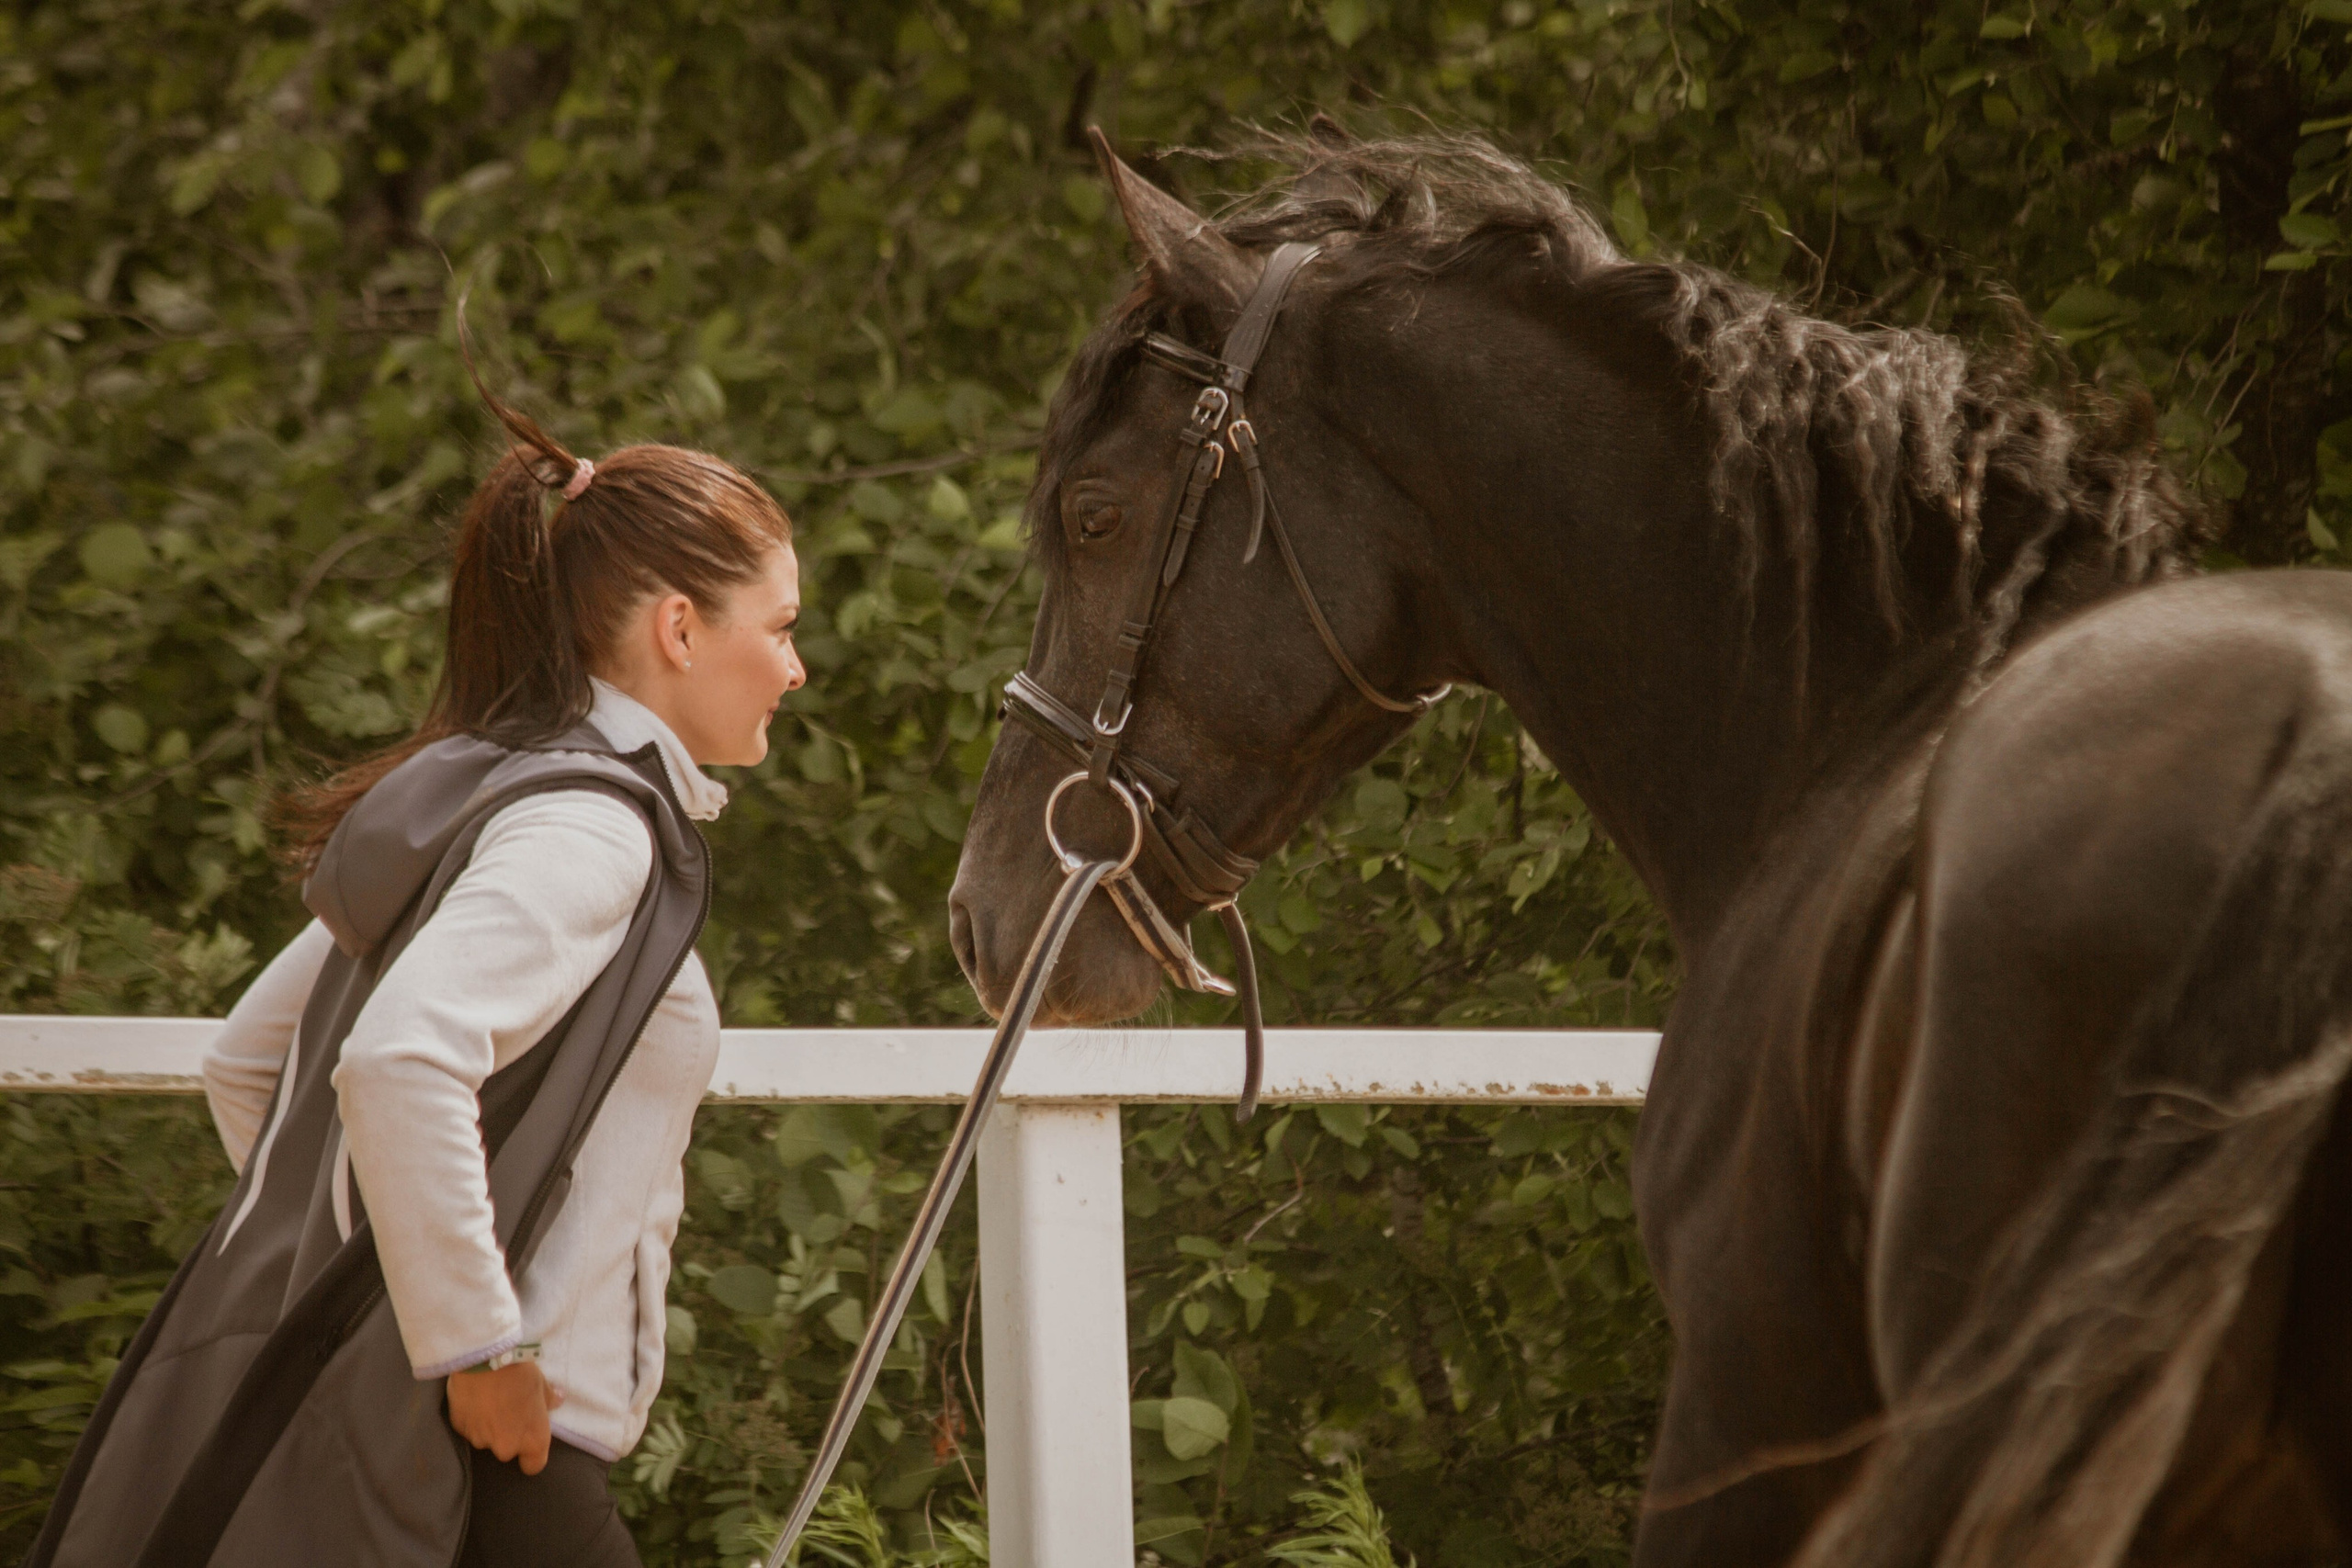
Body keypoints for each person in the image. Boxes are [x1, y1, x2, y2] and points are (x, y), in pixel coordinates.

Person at [29, 383, 804, 1568]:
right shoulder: (593, 831)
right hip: (504, 1461)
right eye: (782, 625)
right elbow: (395, 1060)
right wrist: (473, 1348)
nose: (796, 668)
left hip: (456, 1447)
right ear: (683, 630)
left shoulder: (504, 787)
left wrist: (381, 1307)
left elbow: (250, 1063)